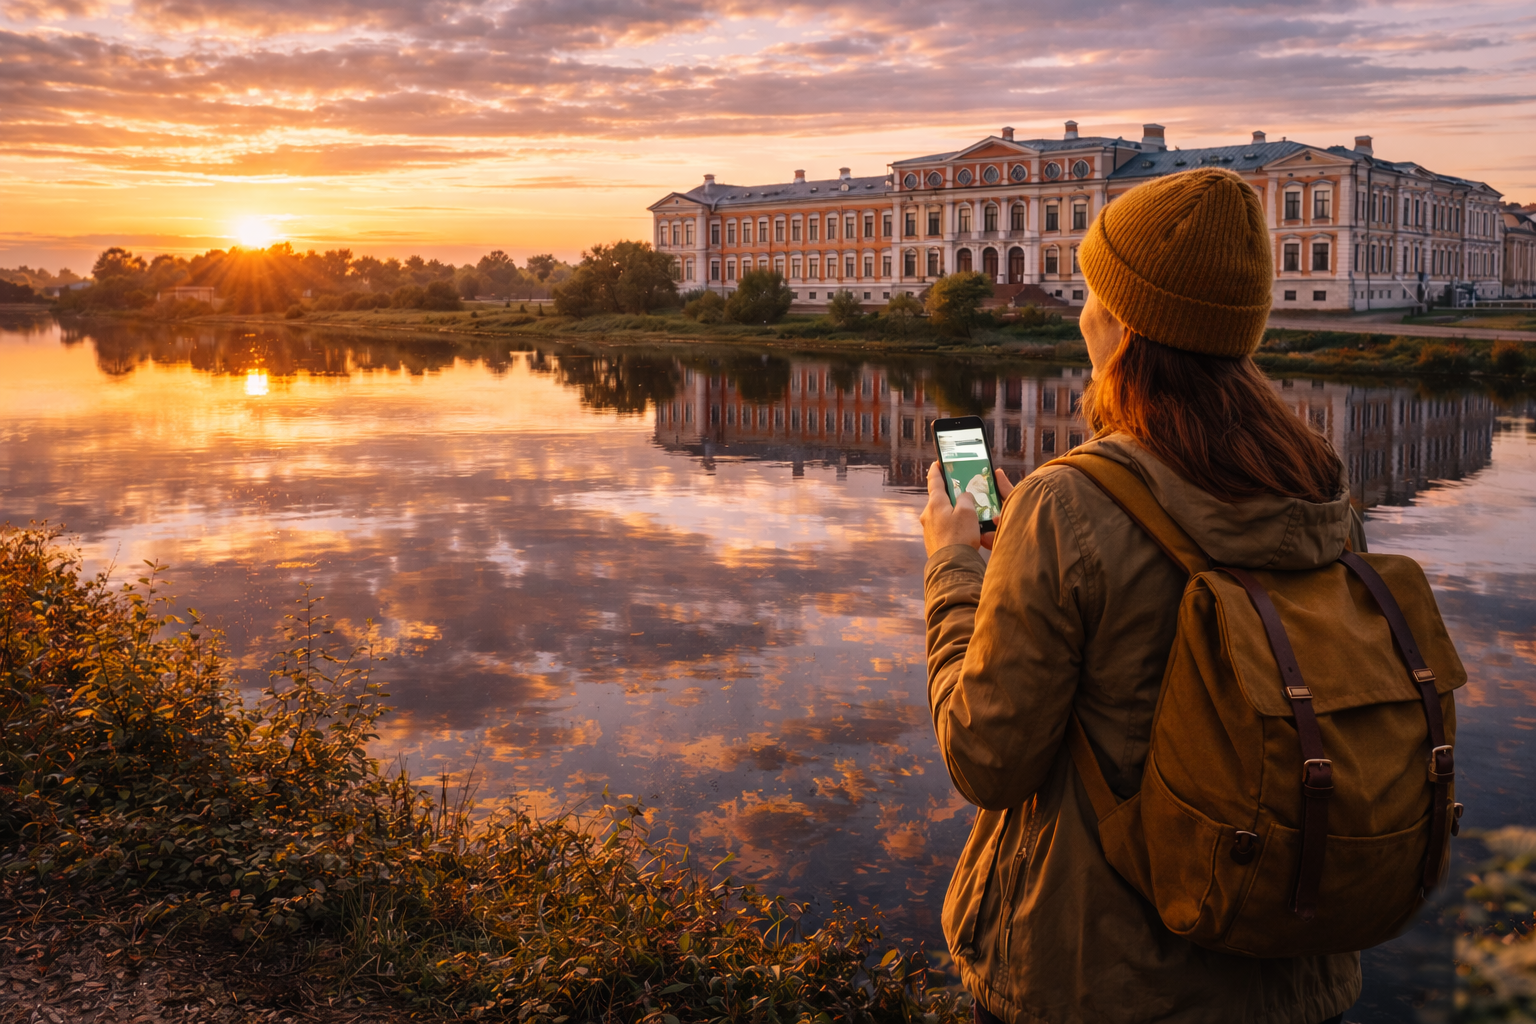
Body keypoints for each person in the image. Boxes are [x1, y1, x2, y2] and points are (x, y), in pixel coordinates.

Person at [919, 168, 1363, 1024]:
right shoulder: (1326, 498)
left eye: (1093, 291)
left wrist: (954, 567)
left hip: (1093, 977)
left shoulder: (1069, 502)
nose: (1083, 310)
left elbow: (986, 757)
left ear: (1122, 320)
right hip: (1292, 976)